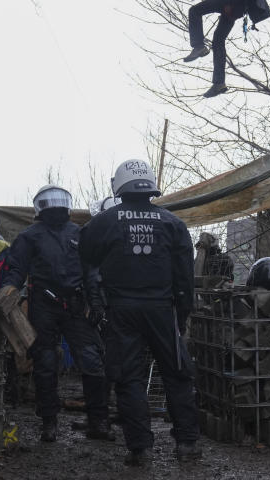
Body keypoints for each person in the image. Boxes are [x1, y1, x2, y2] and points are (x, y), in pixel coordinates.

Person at [79, 159, 200, 466]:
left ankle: (140, 449)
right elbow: (185, 276)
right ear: (150, 184)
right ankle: (186, 444)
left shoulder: (103, 222)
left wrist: (98, 304)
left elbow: (88, 261)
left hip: (122, 311)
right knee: (177, 374)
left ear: (118, 185)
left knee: (129, 378)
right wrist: (182, 314)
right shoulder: (172, 223)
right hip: (163, 309)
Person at [0, 185, 111, 443]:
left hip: (76, 305)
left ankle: (98, 421)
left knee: (92, 360)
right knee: (45, 364)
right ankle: (49, 422)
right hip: (43, 305)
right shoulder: (29, 237)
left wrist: (96, 301)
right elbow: (16, 270)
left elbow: (91, 270)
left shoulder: (79, 234)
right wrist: (6, 293)